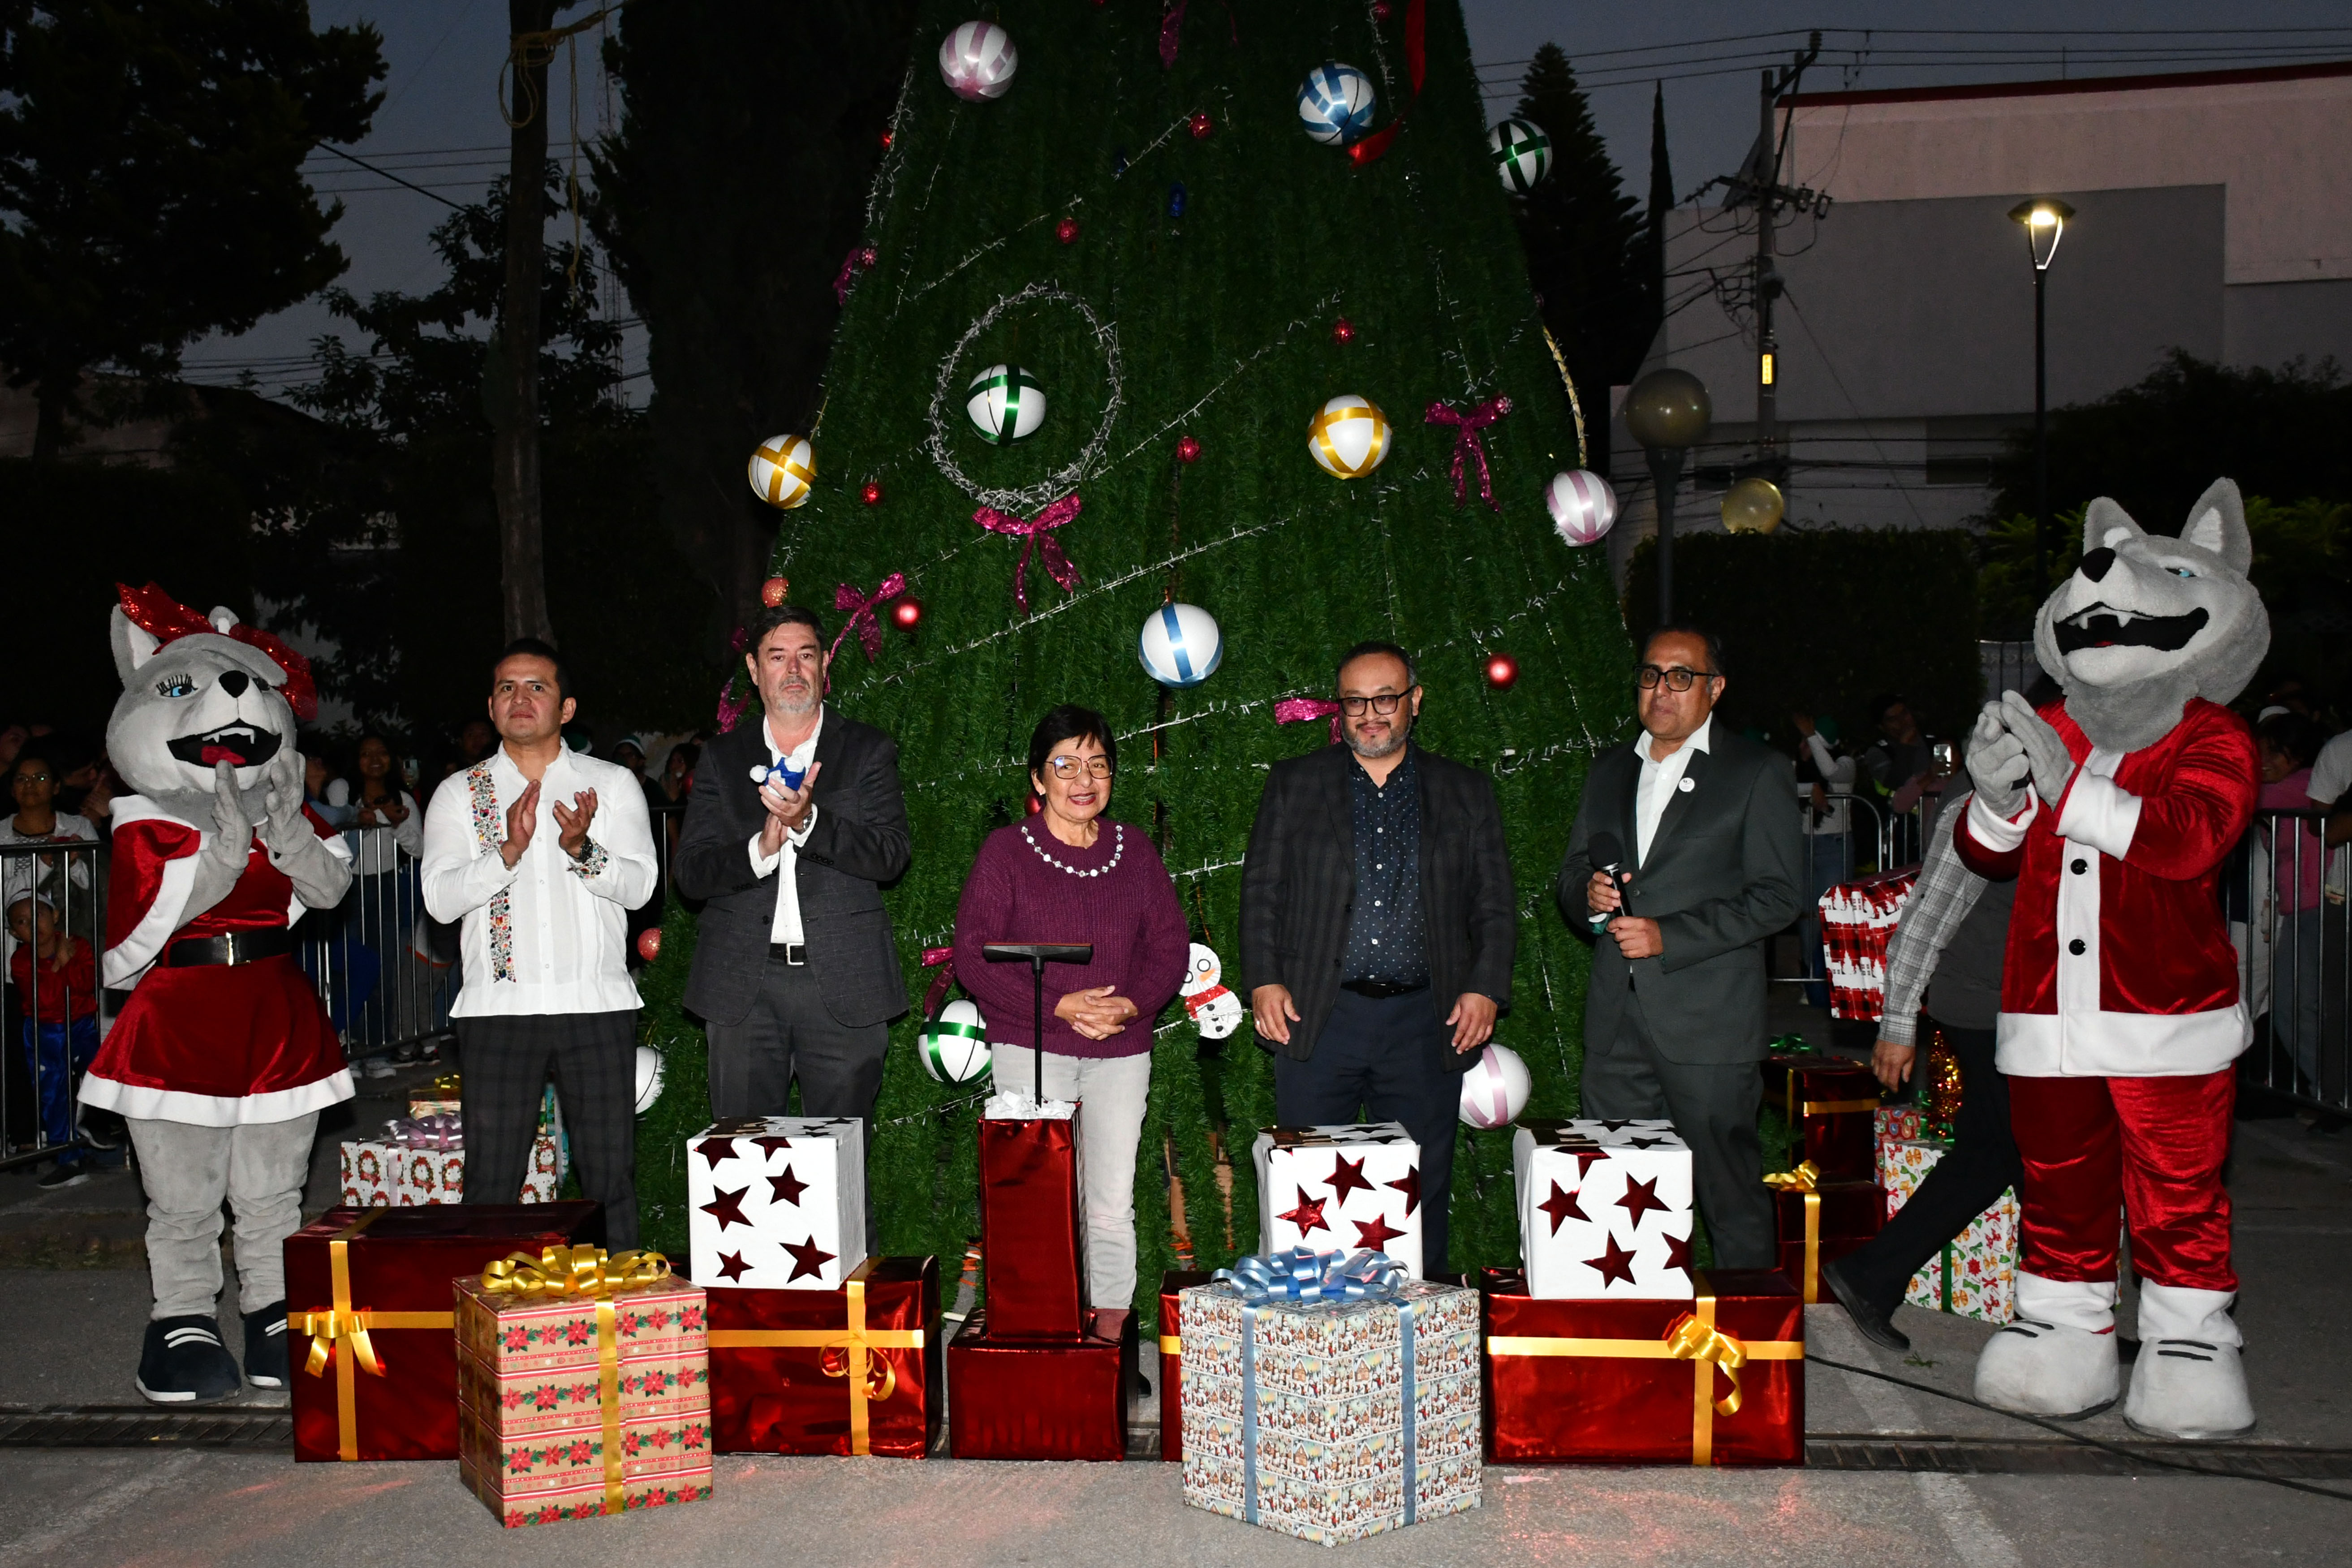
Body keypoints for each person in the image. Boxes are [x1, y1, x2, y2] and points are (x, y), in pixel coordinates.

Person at [1241, 641, 1515, 1274]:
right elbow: (1261, 892)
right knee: (1308, 1191)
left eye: (1385, 699)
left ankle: (1421, 1323)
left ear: (1414, 700)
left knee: (1421, 1190)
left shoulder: (1465, 791)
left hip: (1426, 1021)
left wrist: (1485, 987)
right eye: (1355, 701)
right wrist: (1264, 980)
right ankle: (1312, 1324)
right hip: (1316, 1019)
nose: (1370, 715)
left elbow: (1494, 903)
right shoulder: (1294, 783)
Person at [1558, 625, 1803, 1270]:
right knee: (1617, 1197)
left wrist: (1670, 936)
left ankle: (1748, 1326)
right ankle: (1636, 1324)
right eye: (1650, 674)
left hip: (1709, 1023)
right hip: (1615, 1022)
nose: (1661, 689)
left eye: (1680, 676)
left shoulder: (1756, 771)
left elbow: (1780, 896)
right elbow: (1572, 873)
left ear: (1714, 689)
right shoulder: (1609, 769)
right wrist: (1588, 896)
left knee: (1727, 1195)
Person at [673, 603, 911, 1245]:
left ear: (826, 664)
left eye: (806, 654)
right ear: (754, 671)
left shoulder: (864, 750)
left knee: (841, 1171)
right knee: (741, 1171)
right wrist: (761, 848)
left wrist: (810, 823)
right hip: (743, 990)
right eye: (777, 657)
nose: (793, 669)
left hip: (843, 986)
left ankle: (847, 1299)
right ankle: (752, 1299)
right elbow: (691, 873)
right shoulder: (722, 758)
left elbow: (892, 855)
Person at [953, 705, 1188, 1330]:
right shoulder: (1006, 852)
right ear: (1037, 778)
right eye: (1065, 765)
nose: (1084, 779)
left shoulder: (1134, 851)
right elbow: (973, 957)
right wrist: (1059, 1005)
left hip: (1121, 1049)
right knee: (1037, 1199)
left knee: (1111, 1201)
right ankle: (1042, 1330)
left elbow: (1170, 947)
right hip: (1031, 1047)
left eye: (1098, 765)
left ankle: (1108, 1338)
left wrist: (1131, 1005)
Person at [421, 639, 658, 1246]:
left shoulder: (611, 784)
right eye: (506, 687)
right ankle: (486, 1301)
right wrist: (507, 852)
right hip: (499, 1012)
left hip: (596, 1005)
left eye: (536, 687)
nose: (519, 698)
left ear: (567, 708)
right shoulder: (461, 792)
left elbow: (640, 888)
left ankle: (617, 1298)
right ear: (491, 707)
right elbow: (439, 900)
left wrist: (583, 849)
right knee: (491, 1183)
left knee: (609, 1179)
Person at [1819, 785, 2021, 1349]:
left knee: (2001, 1152)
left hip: (2031, 1006)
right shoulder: (1991, 800)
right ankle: (2069, 1313)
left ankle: (2069, 1308)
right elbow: (1926, 916)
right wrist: (1897, 1024)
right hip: (1986, 1005)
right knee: (2015, 1150)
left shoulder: (2080, 789)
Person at [334, 732, 430, 1069]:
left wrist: (397, 823)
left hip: (386, 888)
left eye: (382, 752)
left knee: (383, 970)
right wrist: (357, 820)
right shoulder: (342, 793)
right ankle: (347, 1046)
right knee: (348, 969)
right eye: (366, 753)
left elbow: (419, 848)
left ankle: (376, 1048)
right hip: (348, 889)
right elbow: (330, 832)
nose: (375, 759)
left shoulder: (402, 798)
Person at [2252, 712, 2329, 1100]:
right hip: (2304, 910)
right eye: (2260, 751)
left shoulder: (2304, 785)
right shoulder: (2294, 786)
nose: (2263, 761)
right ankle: (2329, 1090)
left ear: (2298, 755)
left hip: (2318, 909)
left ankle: (2332, 1091)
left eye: (2274, 752)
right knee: (2299, 1007)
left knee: (2295, 1007)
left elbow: (2242, 797)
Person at [8, 894, 102, 1187]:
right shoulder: (21, 961)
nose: (32, 925)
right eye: (22, 922)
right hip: (44, 1030)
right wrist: (62, 964)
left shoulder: (78, 945)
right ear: (14, 933)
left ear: (56, 916)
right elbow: (45, 998)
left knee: (99, 1071)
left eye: (38, 915)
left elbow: (86, 984)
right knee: (53, 1093)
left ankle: (97, 1123)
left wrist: (64, 964)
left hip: (81, 1023)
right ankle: (68, 1160)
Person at [1792, 713, 1855, 1008]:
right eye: (1803, 741)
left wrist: (1812, 736)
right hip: (1803, 846)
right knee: (1807, 919)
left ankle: (1836, 986)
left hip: (1834, 847)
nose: (1802, 747)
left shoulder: (1846, 763)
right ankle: (1812, 983)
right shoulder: (1797, 770)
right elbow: (1780, 786)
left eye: (1808, 742)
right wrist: (1810, 790)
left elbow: (1831, 772)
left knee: (1832, 916)